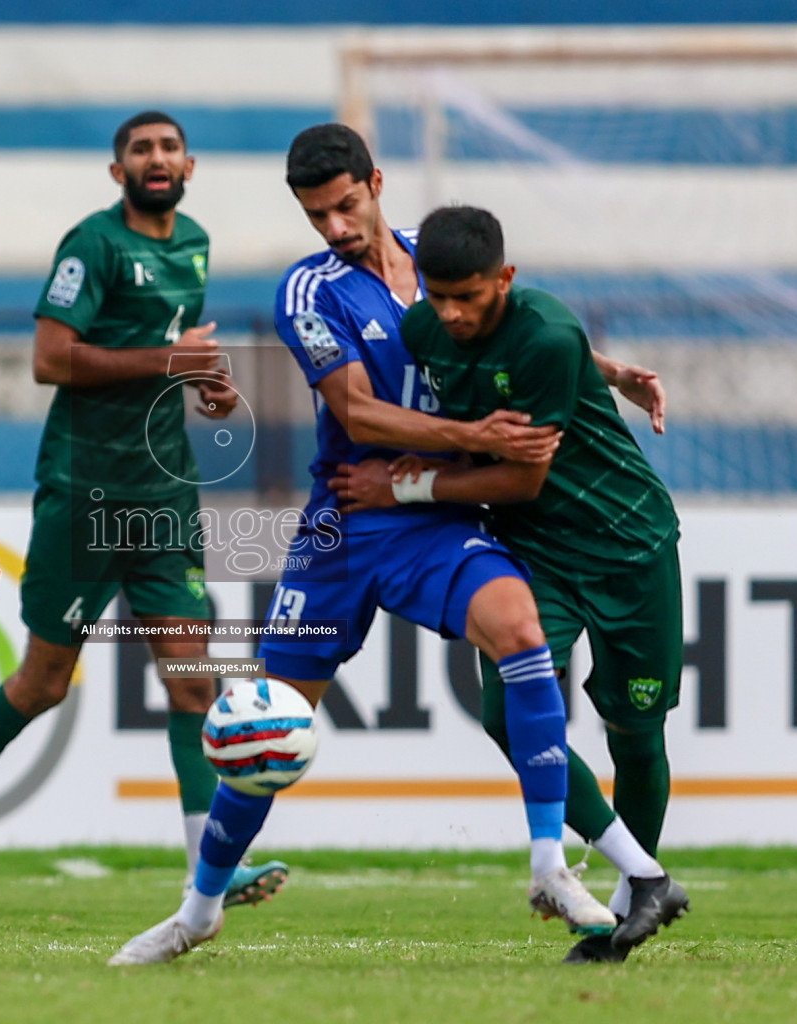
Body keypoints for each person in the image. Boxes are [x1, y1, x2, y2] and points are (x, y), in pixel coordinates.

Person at [108, 124, 622, 967]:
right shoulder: (308, 292)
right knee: (272, 721)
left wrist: (613, 371)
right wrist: (470, 430)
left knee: (522, 632)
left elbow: (521, 332)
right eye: (319, 215)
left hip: (434, 517)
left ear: (376, 182)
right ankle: (200, 909)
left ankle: (548, 865)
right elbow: (358, 414)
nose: (337, 227)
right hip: (345, 524)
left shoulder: (442, 257)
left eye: (347, 205)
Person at [0, 111, 285, 913]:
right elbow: (52, 359)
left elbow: (170, 351)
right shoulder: (93, 245)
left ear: (191, 162)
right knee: (43, 683)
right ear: (118, 171)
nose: (156, 159)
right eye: (140, 150)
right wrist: (172, 360)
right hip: (86, 492)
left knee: (193, 685)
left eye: (167, 148)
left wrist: (207, 385)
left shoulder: (192, 243)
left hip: (164, 497)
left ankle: (208, 872)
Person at [333, 204, 690, 964]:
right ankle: (645, 873)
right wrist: (614, 370)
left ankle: (629, 912)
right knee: (505, 708)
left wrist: (407, 489)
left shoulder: (547, 332)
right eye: (438, 295)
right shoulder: (425, 330)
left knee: (635, 729)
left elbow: (524, 477)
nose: (452, 314)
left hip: (627, 541)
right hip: (538, 552)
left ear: (506, 279)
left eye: (469, 296)